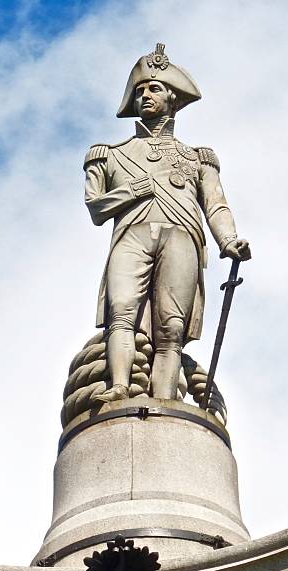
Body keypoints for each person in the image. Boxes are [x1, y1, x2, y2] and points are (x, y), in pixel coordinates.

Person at [84, 44, 250, 403]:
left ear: (172, 99)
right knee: (122, 311)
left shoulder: (198, 159)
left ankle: (165, 398)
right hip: (132, 235)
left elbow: (216, 206)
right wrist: (133, 191)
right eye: (140, 90)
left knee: (171, 328)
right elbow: (97, 208)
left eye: (154, 89)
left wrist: (229, 241)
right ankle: (118, 386)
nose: (145, 95)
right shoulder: (110, 155)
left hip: (183, 235)